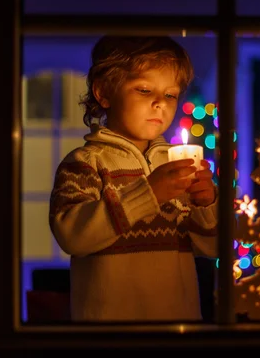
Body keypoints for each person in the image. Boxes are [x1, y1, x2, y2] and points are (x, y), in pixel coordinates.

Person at [49, 36, 218, 322]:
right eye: (144, 90)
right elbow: (72, 236)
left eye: (170, 94)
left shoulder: (177, 165)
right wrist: (148, 194)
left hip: (177, 326)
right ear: (104, 93)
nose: (159, 104)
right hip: (112, 332)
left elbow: (213, 248)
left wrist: (206, 204)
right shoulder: (86, 163)